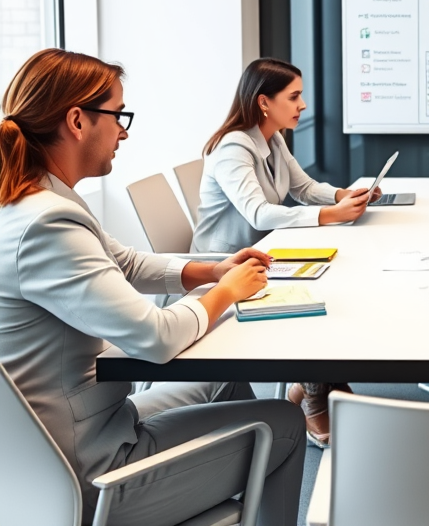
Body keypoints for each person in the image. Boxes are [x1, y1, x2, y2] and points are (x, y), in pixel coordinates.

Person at [0, 49, 305, 526]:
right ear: (77, 121)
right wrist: (228, 293)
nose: (123, 131)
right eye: (118, 115)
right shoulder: (46, 223)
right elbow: (156, 338)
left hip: (95, 424)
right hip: (89, 471)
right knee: (284, 421)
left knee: (223, 381)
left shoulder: (38, 198)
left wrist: (212, 271)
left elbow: (123, 261)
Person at [191, 57, 379, 448]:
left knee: (343, 288)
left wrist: (344, 196)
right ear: (264, 101)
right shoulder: (233, 147)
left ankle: (317, 384)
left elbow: (304, 187)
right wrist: (332, 214)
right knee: (325, 296)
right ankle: (314, 392)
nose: (303, 105)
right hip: (227, 268)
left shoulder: (272, 137)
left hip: (268, 254)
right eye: (294, 97)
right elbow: (258, 212)